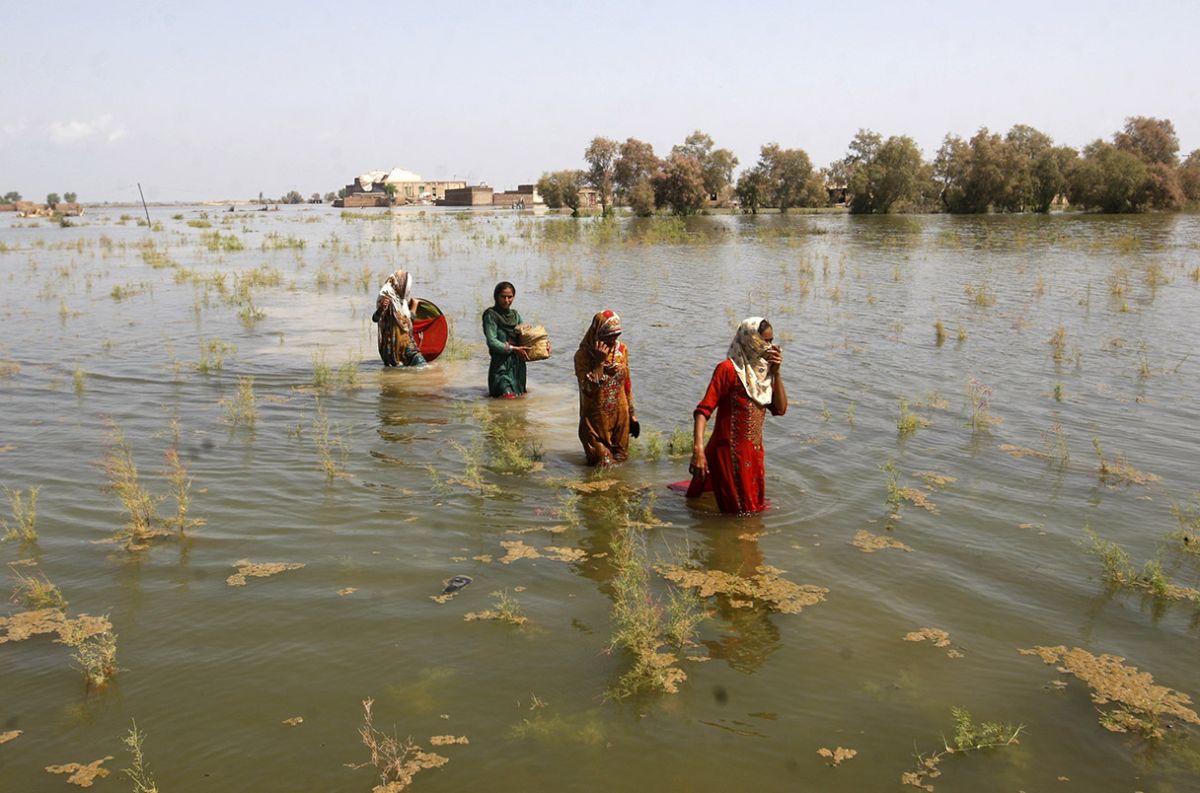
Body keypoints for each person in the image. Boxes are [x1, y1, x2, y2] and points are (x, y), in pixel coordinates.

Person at [687, 318, 788, 514]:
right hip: (729, 453)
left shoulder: (763, 373)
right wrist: (698, 449)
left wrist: (777, 374)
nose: (770, 347)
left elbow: (780, 409)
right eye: (764, 341)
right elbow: (703, 411)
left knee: (752, 511)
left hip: (754, 454)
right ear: (750, 340)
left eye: (771, 341)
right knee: (740, 517)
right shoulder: (728, 370)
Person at [574, 310, 638, 466]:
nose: (612, 340)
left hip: (620, 418)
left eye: (616, 335)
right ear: (597, 333)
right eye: (608, 336)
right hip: (595, 423)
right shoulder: (583, 356)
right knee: (603, 466)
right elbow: (588, 389)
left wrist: (632, 415)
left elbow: (627, 383)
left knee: (621, 463)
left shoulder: (622, 350)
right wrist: (599, 364)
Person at [482, 281, 531, 398]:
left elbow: (524, 337)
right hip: (501, 365)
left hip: (518, 366)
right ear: (496, 296)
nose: (507, 300)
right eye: (503, 297)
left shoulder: (515, 315)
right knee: (507, 397)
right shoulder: (491, 315)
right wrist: (513, 349)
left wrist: (542, 345)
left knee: (519, 398)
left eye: (510, 297)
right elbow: (492, 342)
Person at [372, 269, 426, 367]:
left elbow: (407, 321)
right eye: (405, 286)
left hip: (407, 344)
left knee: (419, 366)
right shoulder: (386, 298)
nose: (407, 290)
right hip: (391, 346)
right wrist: (381, 309)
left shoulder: (402, 301)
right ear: (399, 284)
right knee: (418, 367)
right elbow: (375, 318)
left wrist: (414, 306)